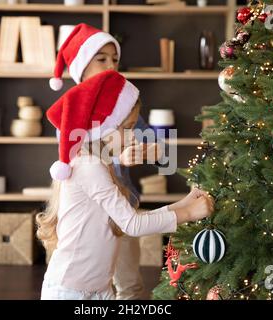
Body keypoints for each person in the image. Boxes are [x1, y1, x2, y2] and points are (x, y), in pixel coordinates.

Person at [37, 70, 214, 300]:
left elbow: (129, 216)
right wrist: (187, 213)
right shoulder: (88, 166)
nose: (133, 136)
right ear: (102, 127)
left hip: (100, 291)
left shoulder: (99, 163)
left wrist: (183, 203)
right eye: (127, 128)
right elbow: (133, 224)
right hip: (69, 293)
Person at [48, 23, 174, 299]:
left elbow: (166, 154)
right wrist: (117, 155)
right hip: (85, 223)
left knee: (129, 285)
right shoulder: (70, 116)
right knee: (84, 283)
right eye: (101, 59)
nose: (110, 66)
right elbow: (79, 159)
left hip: (123, 215)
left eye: (114, 59)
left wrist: (148, 152)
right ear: (81, 67)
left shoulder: (124, 103)